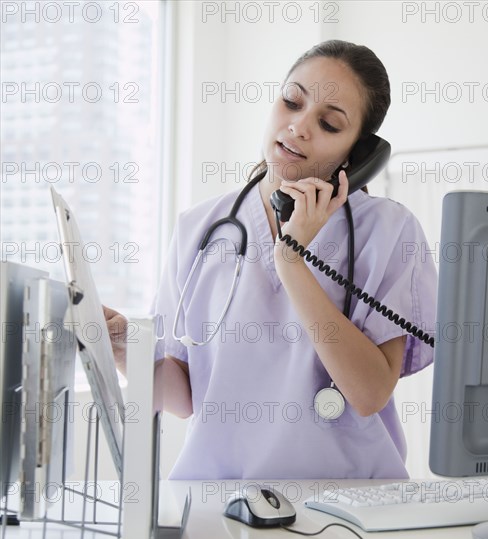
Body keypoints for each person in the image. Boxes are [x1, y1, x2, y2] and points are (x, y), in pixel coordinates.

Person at [104, 40, 437, 480]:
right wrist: (125, 350)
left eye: (329, 124)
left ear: (358, 154)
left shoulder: (389, 232)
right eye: (291, 102)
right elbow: (184, 393)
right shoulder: (200, 228)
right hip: (221, 502)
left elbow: (370, 392)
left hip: (349, 509)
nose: (298, 126)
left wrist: (292, 262)